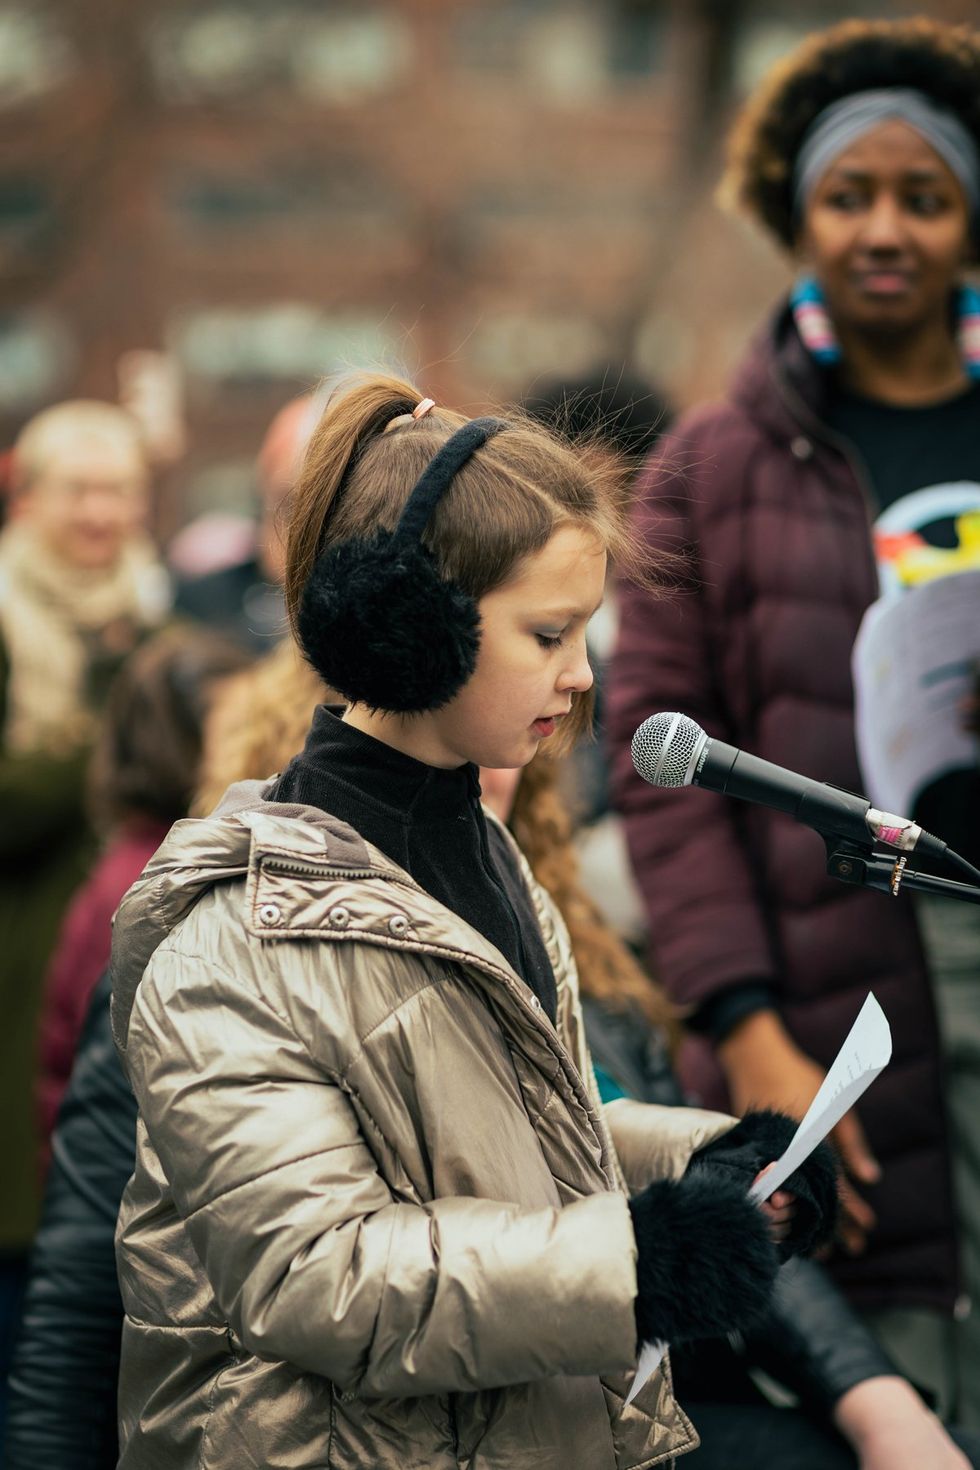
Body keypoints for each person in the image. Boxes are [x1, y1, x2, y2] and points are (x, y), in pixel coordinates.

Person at [106, 375, 837, 1469]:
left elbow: (513, 1142)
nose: (580, 676)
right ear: (411, 631)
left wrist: (712, 1161)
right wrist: (635, 1266)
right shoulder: (235, 943)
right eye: (546, 634)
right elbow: (319, 1274)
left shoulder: (486, 857)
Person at [608, 15, 980, 1426]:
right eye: (849, 195)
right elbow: (660, 757)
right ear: (799, 215)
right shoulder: (708, 464)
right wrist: (746, 1022)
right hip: (835, 995)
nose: (885, 229)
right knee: (887, 1371)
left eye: (925, 197)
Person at [0, 399, 167, 1432]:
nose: (99, 514)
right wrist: (101, 708)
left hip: (132, 978)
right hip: (17, 993)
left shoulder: (161, 617)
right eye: (78, 490)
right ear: (30, 495)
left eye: (118, 491)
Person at [36, 623, 250, 1162]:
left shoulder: (151, 859)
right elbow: (107, 1077)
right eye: (235, 727)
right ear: (178, 743)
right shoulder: (150, 883)